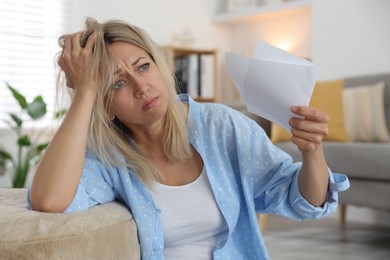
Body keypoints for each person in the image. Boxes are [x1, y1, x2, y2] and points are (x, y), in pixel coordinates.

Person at [28, 17, 349, 259]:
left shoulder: (222, 127)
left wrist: (312, 151)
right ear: (105, 106)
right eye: (117, 84)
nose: (142, 88)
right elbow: (49, 200)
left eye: (143, 67)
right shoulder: (108, 158)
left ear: (160, 66)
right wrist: (84, 91)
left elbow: (306, 202)